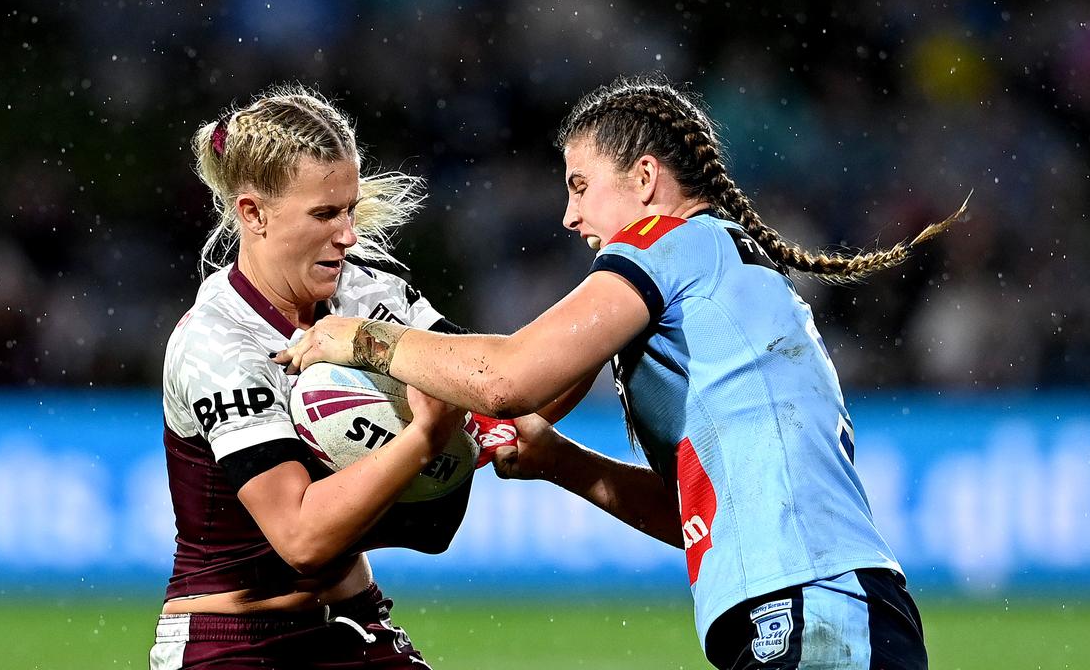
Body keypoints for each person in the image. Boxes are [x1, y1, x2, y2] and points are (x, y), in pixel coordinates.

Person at [278, 78, 968, 669]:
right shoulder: (719, 273)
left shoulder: (668, 243)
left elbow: (507, 378)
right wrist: (559, 462)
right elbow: (704, 519)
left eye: (581, 187)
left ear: (644, 180)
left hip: (812, 608)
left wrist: (362, 338)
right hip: (818, 604)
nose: (570, 215)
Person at [152, 84, 486, 669]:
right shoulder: (217, 341)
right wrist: (425, 438)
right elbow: (303, 539)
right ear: (252, 212)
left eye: (351, 209)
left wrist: (613, 314)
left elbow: (492, 382)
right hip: (236, 644)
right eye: (325, 214)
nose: (350, 235)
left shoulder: (370, 295)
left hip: (357, 626)